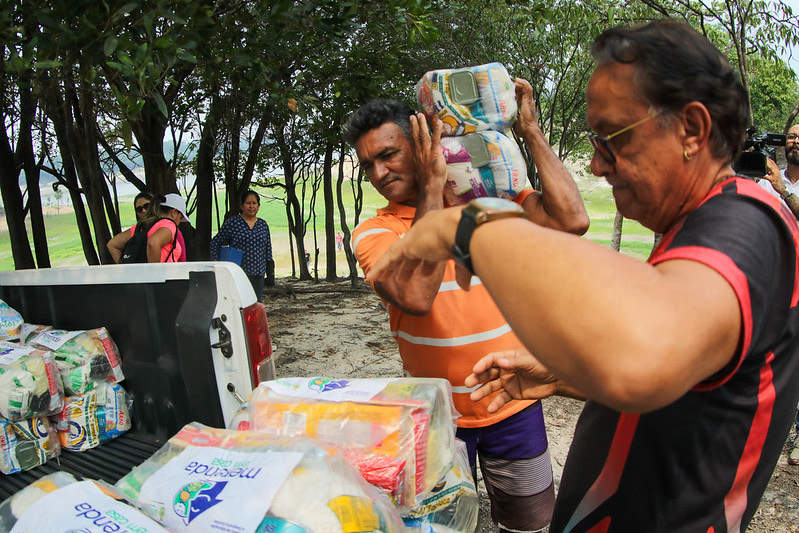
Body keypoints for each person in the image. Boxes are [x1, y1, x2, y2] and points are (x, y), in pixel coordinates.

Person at [365, 19, 799, 532]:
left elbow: (643, 359)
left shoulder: (745, 223)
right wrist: (571, 376)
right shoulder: (700, 225)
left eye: (610, 138)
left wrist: (472, 227)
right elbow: (693, 373)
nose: (596, 164)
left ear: (693, 130)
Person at [343, 90, 589, 533]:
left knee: (530, 525)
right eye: (367, 165)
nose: (378, 173)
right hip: (435, 420)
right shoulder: (373, 231)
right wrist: (434, 185)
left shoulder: (488, 204)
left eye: (389, 155)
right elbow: (417, 294)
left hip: (513, 405)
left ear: (422, 146)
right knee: (444, 527)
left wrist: (529, 130)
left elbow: (572, 220)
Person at [210, 190, 273, 298]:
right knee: (240, 305)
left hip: (258, 273)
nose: (251, 206)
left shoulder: (263, 225)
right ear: (241, 205)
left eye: (254, 203)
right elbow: (215, 242)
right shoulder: (233, 223)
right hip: (238, 273)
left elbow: (268, 250)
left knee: (256, 305)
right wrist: (217, 263)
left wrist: (270, 274)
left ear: (258, 206)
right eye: (248, 203)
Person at [107, 192, 187, 263]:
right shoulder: (169, 225)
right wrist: (153, 273)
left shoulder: (142, 226)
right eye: (180, 217)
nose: (179, 221)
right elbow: (153, 243)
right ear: (174, 212)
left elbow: (112, 244)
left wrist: (126, 271)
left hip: (137, 278)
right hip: (161, 278)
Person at [761, 124, 799, 220]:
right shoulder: (768, 180)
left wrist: (783, 191)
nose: (796, 141)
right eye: (791, 137)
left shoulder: (776, 181)